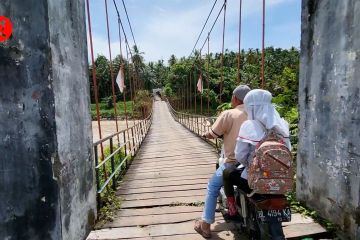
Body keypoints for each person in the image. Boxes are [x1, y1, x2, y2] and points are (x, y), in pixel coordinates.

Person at [222, 89, 291, 217]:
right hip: (280, 180)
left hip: (256, 180)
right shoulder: (282, 125)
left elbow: (240, 155)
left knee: (227, 173)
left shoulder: (249, 126)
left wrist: (250, 165)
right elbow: (288, 150)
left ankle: (232, 210)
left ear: (250, 107)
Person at [194, 85, 251, 238]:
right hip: (255, 164)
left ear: (235, 98)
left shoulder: (229, 114)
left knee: (212, 186)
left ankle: (205, 225)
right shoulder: (257, 113)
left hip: (233, 163)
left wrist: (207, 133)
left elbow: (213, 133)